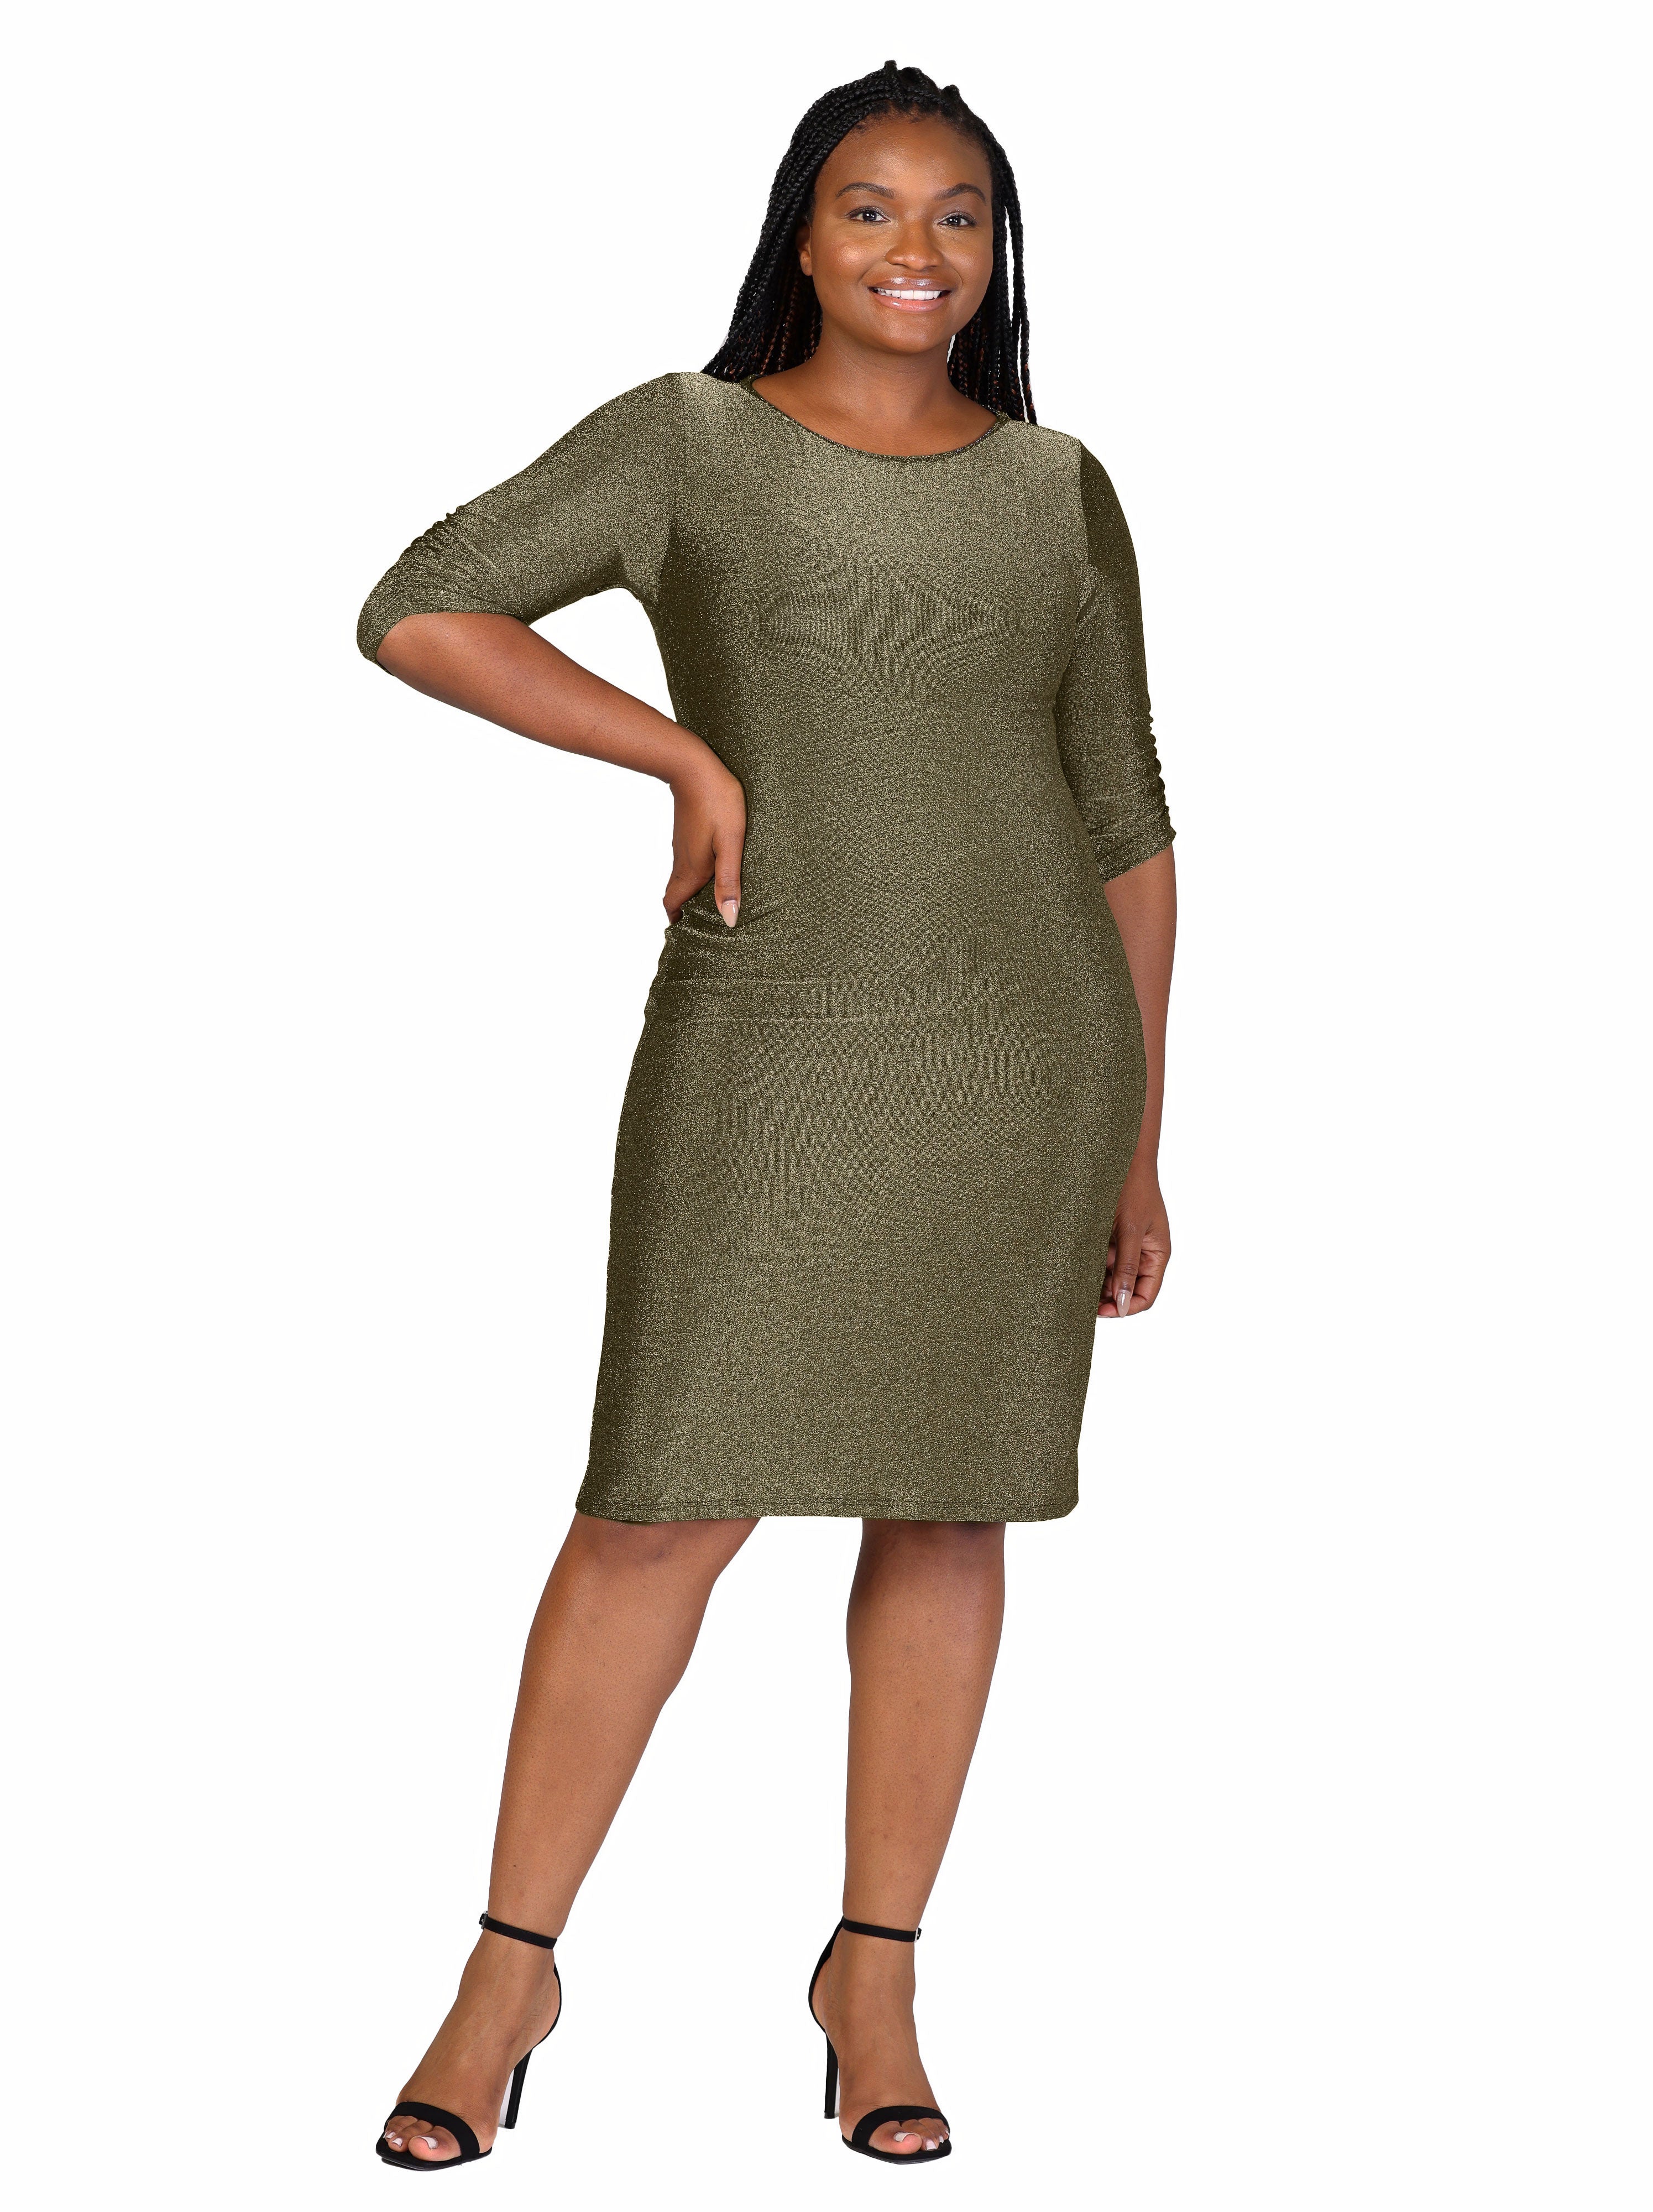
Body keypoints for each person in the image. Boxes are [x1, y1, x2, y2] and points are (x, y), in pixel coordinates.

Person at [358, 59, 1175, 2171]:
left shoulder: (1058, 486)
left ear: (998, 251)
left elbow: (1124, 819)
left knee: (948, 1504)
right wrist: (679, 754)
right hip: (771, 1031)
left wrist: (1140, 1138)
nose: (919, 250)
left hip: (1027, 1053)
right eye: (872, 209)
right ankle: (507, 1974)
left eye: (960, 215)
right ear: (802, 237)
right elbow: (421, 606)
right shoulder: (691, 444)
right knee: (653, 1508)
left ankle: (872, 1978)